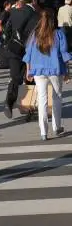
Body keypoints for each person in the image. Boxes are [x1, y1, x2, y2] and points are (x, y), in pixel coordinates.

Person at [23, 8, 71, 140]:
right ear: (54, 19)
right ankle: (57, 127)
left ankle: (43, 132)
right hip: (56, 69)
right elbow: (64, 54)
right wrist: (67, 72)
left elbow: (29, 54)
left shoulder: (35, 35)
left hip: (38, 71)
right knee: (57, 98)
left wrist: (29, 71)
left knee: (42, 100)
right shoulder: (59, 34)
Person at [3, 0, 39, 118]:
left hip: (14, 49)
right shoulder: (36, 15)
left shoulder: (14, 12)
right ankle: (29, 106)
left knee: (15, 77)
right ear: (34, 0)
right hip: (30, 51)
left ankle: (9, 102)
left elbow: (7, 29)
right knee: (31, 78)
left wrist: (8, 43)